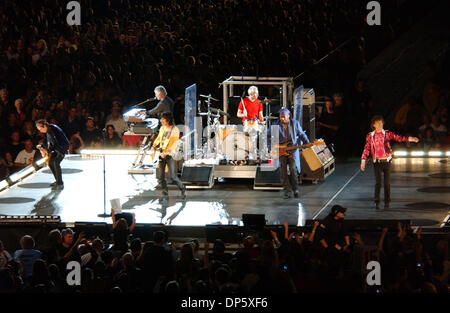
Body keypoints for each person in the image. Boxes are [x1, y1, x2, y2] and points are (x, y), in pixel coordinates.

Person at [361, 115, 419, 209]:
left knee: (387, 183)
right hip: (377, 162)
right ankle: (377, 202)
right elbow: (367, 148)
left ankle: (387, 202)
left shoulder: (387, 134)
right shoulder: (370, 136)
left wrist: (410, 139)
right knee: (378, 182)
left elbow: (398, 137)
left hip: (386, 161)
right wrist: (363, 160)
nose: (380, 124)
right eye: (378, 123)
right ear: (374, 125)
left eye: (381, 122)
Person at [268, 108, 311, 199]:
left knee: (293, 170)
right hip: (281, 151)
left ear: (288, 116)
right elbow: (267, 136)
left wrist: (307, 142)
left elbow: (301, 134)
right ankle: (287, 191)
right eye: (281, 117)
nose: (282, 119)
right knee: (282, 172)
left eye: (284, 117)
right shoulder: (275, 124)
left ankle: (295, 189)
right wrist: (271, 147)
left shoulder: (294, 123)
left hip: (292, 150)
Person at [150, 112, 186, 199]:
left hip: (169, 155)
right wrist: (154, 145)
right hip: (161, 154)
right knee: (161, 176)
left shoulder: (175, 130)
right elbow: (159, 138)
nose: (161, 120)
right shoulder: (162, 128)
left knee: (173, 176)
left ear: (168, 120)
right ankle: (165, 192)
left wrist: (166, 153)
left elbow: (175, 144)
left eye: (163, 119)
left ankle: (182, 188)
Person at [35, 119, 70, 190]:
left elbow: (57, 142)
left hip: (62, 148)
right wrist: (45, 149)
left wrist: (48, 150)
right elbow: (50, 143)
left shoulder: (53, 130)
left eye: (40, 129)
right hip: (57, 148)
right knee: (50, 162)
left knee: (56, 163)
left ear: (44, 126)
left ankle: (60, 183)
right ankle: (57, 181)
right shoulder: (49, 131)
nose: (40, 131)